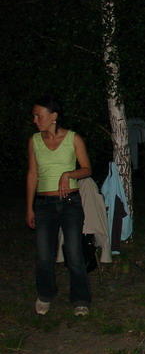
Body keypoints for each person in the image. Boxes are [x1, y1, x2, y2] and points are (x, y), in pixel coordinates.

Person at [26, 95, 93, 317]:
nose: (35, 120)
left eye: (39, 116)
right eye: (34, 116)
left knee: (74, 254)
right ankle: (45, 294)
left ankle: (80, 299)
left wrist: (68, 174)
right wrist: (29, 207)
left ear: (53, 116)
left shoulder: (73, 138)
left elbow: (87, 169)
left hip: (70, 203)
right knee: (44, 256)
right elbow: (32, 174)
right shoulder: (34, 141)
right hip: (44, 205)